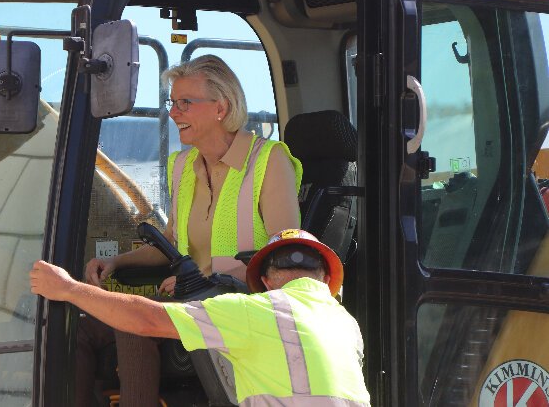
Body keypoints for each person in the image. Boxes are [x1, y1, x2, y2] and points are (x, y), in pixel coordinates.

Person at [80, 55, 303, 405]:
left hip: (243, 302)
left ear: (221, 107)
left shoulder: (269, 160)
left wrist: (205, 272)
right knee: (78, 325)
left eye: (185, 103)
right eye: (172, 102)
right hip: (189, 298)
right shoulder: (182, 166)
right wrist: (118, 263)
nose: (173, 113)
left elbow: (286, 254)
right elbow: (170, 243)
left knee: (134, 321)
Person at [30, 229, 371, 406]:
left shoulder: (257, 311)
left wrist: (68, 289)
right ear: (326, 279)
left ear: (266, 282)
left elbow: (146, 319)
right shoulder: (348, 326)